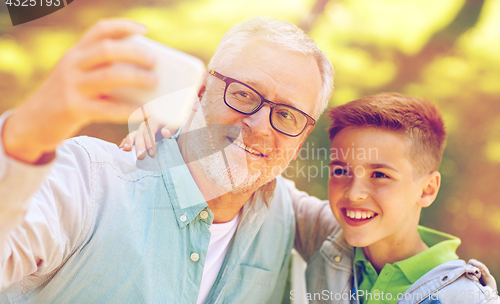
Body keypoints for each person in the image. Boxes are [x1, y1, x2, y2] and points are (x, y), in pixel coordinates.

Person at [0, 17, 334, 303]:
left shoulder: (286, 212)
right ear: (201, 91)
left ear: (302, 136)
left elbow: (379, 237)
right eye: (244, 95)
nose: (260, 126)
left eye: (288, 115)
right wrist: (28, 135)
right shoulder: (90, 181)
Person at [126, 93, 499, 304]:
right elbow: (257, 178)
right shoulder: (329, 235)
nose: (354, 193)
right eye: (340, 171)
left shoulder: (464, 298)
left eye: (381, 175)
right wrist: (182, 124)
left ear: (428, 189)